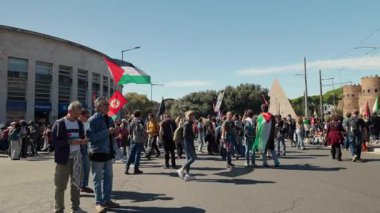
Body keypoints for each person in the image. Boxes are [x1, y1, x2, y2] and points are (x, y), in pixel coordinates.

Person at [52, 101, 87, 213]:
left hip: (77, 158)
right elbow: (54, 142)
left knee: (76, 184)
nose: (78, 117)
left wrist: (83, 141)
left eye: (79, 114)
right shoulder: (59, 123)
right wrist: (70, 142)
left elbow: (81, 137)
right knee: (60, 185)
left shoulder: (79, 123)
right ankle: (59, 209)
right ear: (69, 111)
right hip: (64, 159)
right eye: (76, 114)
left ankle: (76, 208)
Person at [86, 97, 119, 212]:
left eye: (108, 104)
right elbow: (91, 138)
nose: (108, 106)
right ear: (98, 106)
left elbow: (112, 134)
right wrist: (107, 132)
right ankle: (99, 203)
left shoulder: (109, 118)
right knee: (98, 179)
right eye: (105, 104)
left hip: (108, 152)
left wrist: (115, 132)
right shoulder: (92, 120)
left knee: (109, 177)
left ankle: (107, 200)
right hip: (98, 152)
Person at [177, 110, 197, 181]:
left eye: (193, 114)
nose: (193, 116)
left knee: (188, 159)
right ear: (188, 116)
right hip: (186, 142)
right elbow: (185, 135)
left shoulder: (189, 123)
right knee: (193, 158)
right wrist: (193, 136)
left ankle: (187, 174)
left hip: (188, 142)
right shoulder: (187, 123)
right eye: (191, 115)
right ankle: (181, 169)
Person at [125, 110, 146, 174]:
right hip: (139, 139)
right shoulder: (139, 121)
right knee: (137, 154)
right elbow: (142, 129)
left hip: (132, 139)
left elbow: (129, 130)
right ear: (139, 115)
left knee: (131, 154)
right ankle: (136, 169)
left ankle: (127, 168)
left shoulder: (131, 121)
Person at [78, 109, 94, 193]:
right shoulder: (76, 123)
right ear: (81, 115)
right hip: (78, 147)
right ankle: (77, 187)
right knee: (79, 169)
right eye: (86, 116)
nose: (88, 118)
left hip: (85, 147)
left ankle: (83, 185)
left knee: (87, 167)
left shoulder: (85, 123)